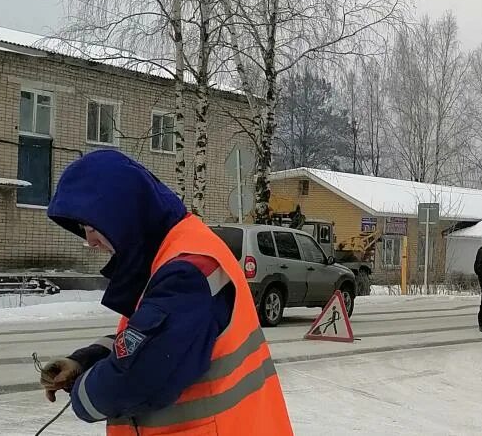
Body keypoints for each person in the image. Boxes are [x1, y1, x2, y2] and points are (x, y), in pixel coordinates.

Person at [38, 150, 294, 435]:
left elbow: (136, 379)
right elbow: (144, 340)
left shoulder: (186, 274)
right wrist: (84, 361)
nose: (90, 241)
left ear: (121, 215)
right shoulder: (177, 250)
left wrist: (81, 394)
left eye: (91, 227)